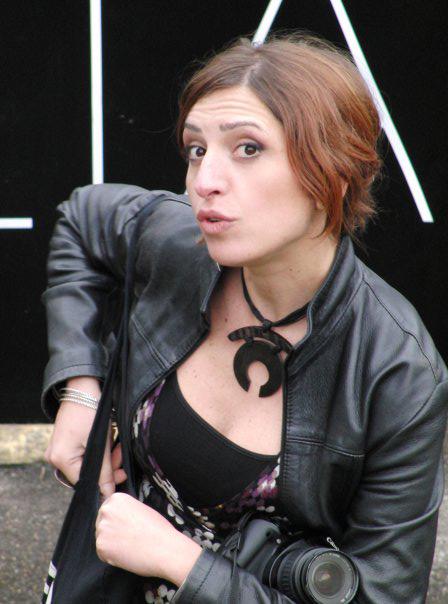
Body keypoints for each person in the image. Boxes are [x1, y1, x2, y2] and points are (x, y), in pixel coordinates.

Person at [42, 34, 448, 603]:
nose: (204, 180)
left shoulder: (399, 371)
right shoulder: (179, 244)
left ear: (333, 170)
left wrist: (183, 563)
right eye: (196, 149)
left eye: (248, 148)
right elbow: (82, 221)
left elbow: (385, 596)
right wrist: (80, 392)